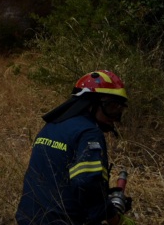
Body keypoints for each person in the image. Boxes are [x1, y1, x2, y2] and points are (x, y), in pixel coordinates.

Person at [15, 70, 135, 225]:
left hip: (28, 218)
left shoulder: (51, 126)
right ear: (90, 103)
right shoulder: (90, 133)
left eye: (119, 109)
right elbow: (88, 184)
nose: (115, 116)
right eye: (111, 107)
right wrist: (115, 219)